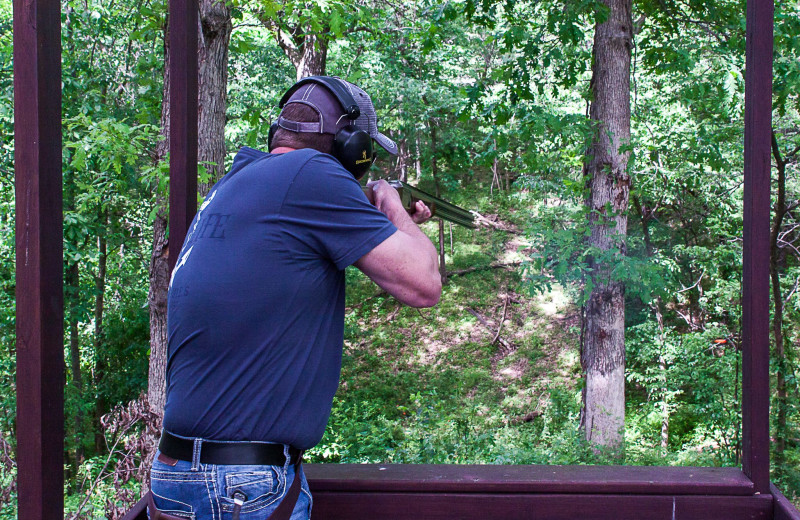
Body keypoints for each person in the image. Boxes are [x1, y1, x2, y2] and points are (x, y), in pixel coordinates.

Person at [148, 76, 442, 520]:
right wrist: (389, 202)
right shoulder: (314, 173)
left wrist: (371, 212)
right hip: (241, 486)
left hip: (174, 471)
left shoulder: (234, 183)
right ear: (351, 144)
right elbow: (423, 284)